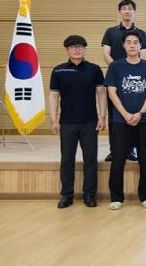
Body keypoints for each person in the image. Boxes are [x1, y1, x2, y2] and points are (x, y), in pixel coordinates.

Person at [104, 30, 146, 210]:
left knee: (145, 159)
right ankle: (116, 197)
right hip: (121, 121)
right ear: (123, 45)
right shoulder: (115, 66)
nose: (132, 45)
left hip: (144, 121)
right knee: (118, 159)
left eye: (136, 42)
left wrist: (140, 113)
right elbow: (111, 92)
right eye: (128, 42)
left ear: (140, 46)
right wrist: (125, 114)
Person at [49, 35, 106, 209]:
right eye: (73, 46)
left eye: (80, 46)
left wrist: (102, 116)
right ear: (67, 50)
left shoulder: (94, 69)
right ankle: (66, 195)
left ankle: (89, 195)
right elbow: (54, 95)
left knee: (90, 159)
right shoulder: (58, 71)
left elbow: (101, 93)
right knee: (67, 159)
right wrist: (53, 119)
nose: (77, 49)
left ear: (84, 49)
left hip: (90, 122)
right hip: (67, 122)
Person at [101, 0, 146, 162]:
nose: (127, 11)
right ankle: (114, 150)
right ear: (120, 12)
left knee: (135, 112)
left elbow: (144, 55)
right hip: (115, 79)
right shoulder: (110, 32)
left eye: (130, 9)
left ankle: (130, 150)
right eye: (124, 8)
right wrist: (119, 70)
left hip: (136, 80)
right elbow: (106, 54)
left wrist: (133, 70)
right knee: (114, 115)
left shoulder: (141, 33)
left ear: (135, 12)